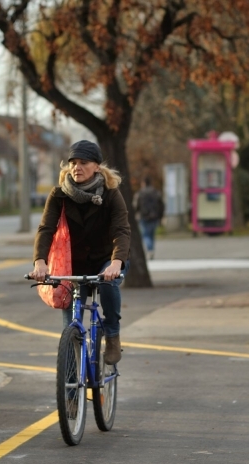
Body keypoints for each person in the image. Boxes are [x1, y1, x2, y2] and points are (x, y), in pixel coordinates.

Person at [30, 140, 130, 364]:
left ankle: (112, 335)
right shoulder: (59, 196)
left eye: (83, 162)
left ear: (97, 166)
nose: (77, 167)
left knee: (107, 285)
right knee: (71, 326)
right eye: (73, 162)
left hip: (107, 260)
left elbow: (121, 231)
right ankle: (71, 390)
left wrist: (116, 263)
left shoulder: (111, 195)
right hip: (73, 266)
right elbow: (46, 229)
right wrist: (40, 261)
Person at [133, 177, 164, 260]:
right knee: (152, 234)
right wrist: (160, 216)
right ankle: (151, 250)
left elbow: (136, 206)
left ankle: (149, 250)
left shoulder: (140, 193)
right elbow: (161, 205)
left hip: (144, 216)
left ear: (143, 183)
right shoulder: (156, 192)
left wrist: (136, 214)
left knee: (145, 234)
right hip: (154, 216)